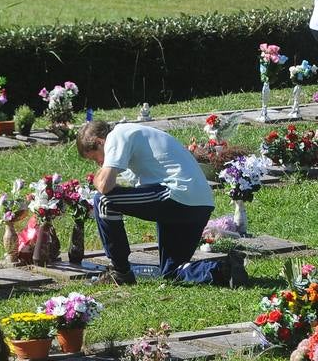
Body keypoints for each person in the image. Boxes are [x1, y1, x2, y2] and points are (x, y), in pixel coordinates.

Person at [76, 119, 215, 285]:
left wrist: (98, 178)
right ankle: (225, 269)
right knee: (173, 271)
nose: (99, 163)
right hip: (199, 204)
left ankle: (120, 272)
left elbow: (105, 186)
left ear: (100, 142)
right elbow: (135, 191)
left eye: (95, 158)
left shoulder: (116, 135)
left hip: (177, 195)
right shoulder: (136, 137)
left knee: (103, 201)